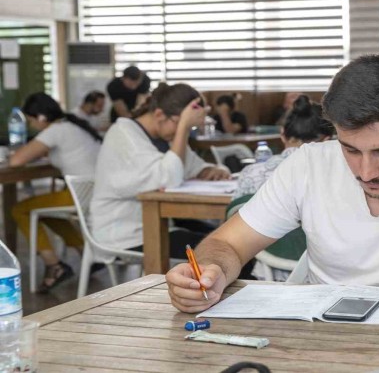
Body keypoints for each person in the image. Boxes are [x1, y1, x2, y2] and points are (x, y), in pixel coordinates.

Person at [166, 52, 379, 318]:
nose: (367, 171)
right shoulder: (310, 164)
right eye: (351, 149)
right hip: (321, 339)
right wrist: (212, 273)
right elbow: (227, 244)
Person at [91, 83, 231, 258]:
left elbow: (193, 166)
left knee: (228, 242)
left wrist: (212, 170)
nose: (184, 132)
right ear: (159, 115)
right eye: (181, 124)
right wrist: (183, 129)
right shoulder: (124, 135)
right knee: (221, 254)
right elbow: (169, 178)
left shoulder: (167, 137)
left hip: (161, 224)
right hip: (126, 235)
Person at [9, 93, 101, 292]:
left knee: (20, 209)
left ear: (41, 117)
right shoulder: (72, 125)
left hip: (80, 195)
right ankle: (86, 254)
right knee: (48, 212)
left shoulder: (55, 130)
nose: (32, 126)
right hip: (93, 193)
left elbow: (16, 161)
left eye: (32, 121)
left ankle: (54, 265)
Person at [234, 95, 334, 199]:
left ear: (282, 134)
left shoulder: (250, 173)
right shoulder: (335, 175)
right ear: (327, 140)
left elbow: (236, 208)